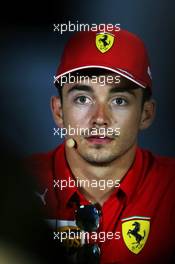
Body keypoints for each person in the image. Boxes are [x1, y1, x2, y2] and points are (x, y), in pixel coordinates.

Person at [27, 28, 175, 264]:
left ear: (146, 114)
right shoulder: (17, 184)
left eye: (119, 100)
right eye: (83, 99)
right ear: (58, 111)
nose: (99, 118)